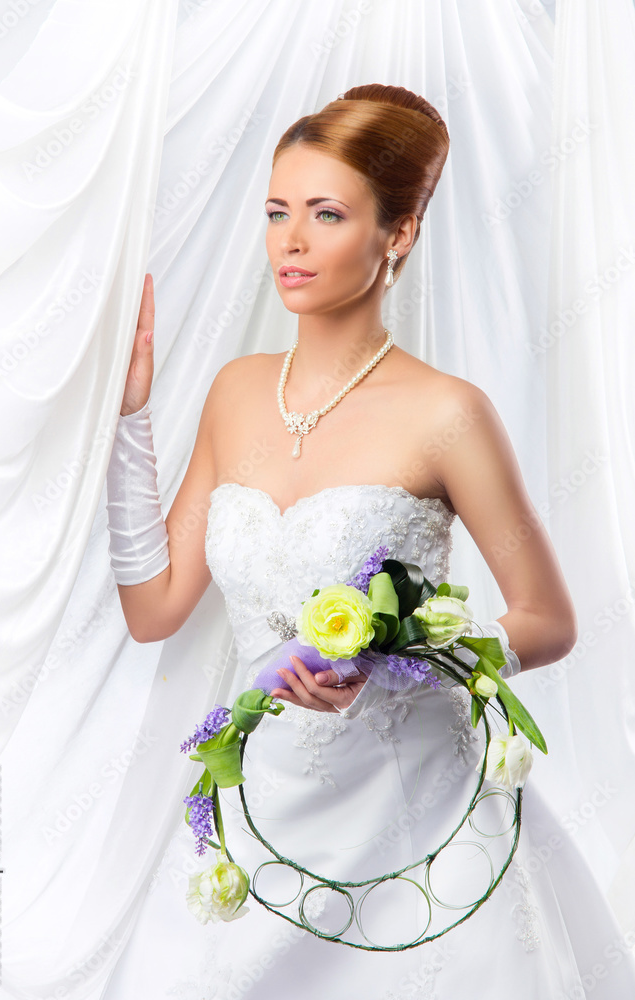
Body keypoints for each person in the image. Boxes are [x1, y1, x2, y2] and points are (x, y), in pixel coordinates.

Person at [104, 85, 635, 998]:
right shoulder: (236, 392)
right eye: (276, 212)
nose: (290, 241)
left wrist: (390, 657)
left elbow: (547, 620)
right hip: (261, 809)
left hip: (417, 814)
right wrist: (127, 420)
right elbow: (155, 610)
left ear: (399, 233)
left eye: (325, 214)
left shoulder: (447, 413)